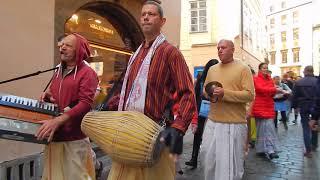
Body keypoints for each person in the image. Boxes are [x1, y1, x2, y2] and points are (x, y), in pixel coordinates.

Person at [105, 1, 197, 180]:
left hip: (154, 135)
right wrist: (111, 104)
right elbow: (129, 91)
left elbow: (188, 92)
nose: (146, 17)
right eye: (143, 14)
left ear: (162, 21)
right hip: (127, 134)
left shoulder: (170, 52)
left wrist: (178, 128)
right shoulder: (136, 54)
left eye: (151, 14)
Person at [36, 33, 99, 179]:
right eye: (62, 45)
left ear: (79, 51)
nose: (62, 48)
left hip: (74, 141)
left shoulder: (87, 73)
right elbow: (55, 95)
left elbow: (85, 103)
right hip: (55, 138)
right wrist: (47, 96)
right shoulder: (58, 71)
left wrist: (57, 121)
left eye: (68, 45)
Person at [200, 39, 255, 180]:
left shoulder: (243, 68)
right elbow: (205, 90)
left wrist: (225, 94)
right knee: (208, 161)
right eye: (218, 48)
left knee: (229, 169)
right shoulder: (212, 69)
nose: (219, 50)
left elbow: (249, 95)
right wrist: (208, 93)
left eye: (223, 47)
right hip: (212, 122)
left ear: (232, 49)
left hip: (233, 124)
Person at [185, 59, 219, 169]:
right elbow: (195, 93)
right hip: (202, 108)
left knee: (214, 133)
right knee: (198, 133)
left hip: (215, 109)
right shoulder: (200, 76)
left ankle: (213, 159)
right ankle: (193, 158)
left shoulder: (219, 78)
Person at [252, 63, 280, 160]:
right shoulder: (255, 79)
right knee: (260, 129)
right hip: (259, 106)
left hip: (268, 105)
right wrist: (273, 89)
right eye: (264, 68)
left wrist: (272, 90)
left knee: (269, 128)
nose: (265, 69)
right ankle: (261, 149)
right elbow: (260, 89)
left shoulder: (270, 79)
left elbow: (270, 92)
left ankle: (270, 150)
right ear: (259, 69)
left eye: (266, 68)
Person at [292, 66, 318, 157]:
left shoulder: (299, 82)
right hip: (315, 106)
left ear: (305, 71)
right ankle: (314, 145)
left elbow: (294, 96)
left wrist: (294, 106)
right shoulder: (317, 81)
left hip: (304, 106)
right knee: (314, 125)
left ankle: (308, 150)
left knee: (306, 128)